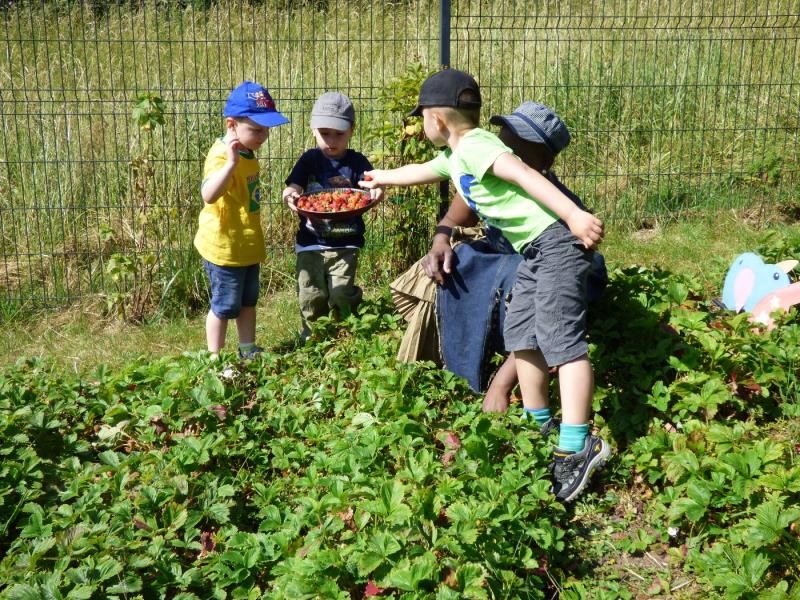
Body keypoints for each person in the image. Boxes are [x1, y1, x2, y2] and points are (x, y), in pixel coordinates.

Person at [360, 69, 610, 502]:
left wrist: (573, 216)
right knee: (522, 332)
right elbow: (420, 170)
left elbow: (524, 176)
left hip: (556, 242)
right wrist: (378, 178)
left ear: (436, 121)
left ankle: (578, 444)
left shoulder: (478, 146)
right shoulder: (456, 156)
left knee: (560, 337)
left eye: (421, 118)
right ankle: (540, 427)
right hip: (533, 251)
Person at [421, 101, 609, 414]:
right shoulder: (484, 168)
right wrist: (441, 239)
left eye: (517, 145)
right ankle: (455, 363)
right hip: (518, 264)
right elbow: (455, 217)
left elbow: (544, 303)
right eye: (503, 137)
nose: (504, 149)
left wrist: (502, 384)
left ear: (543, 161)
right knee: (460, 264)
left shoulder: (555, 204)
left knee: (532, 296)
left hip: (553, 265)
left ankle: (510, 383)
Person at [194, 81, 289, 359]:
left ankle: (247, 349)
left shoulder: (247, 151)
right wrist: (231, 165)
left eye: (266, 130)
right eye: (256, 130)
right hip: (225, 249)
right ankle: (214, 357)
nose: (262, 136)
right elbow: (209, 195)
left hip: (246, 246)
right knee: (224, 306)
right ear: (231, 125)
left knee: (248, 301)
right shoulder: (223, 155)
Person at [282, 91, 382, 341]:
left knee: (340, 293)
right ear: (313, 129)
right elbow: (294, 186)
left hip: (345, 242)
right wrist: (290, 196)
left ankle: (349, 329)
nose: (331, 141)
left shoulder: (357, 161)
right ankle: (314, 336)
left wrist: (377, 191)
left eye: (339, 134)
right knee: (311, 293)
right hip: (310, 242)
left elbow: (373, 184)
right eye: (325, 133)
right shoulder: (309, 159)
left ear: (351, 130)